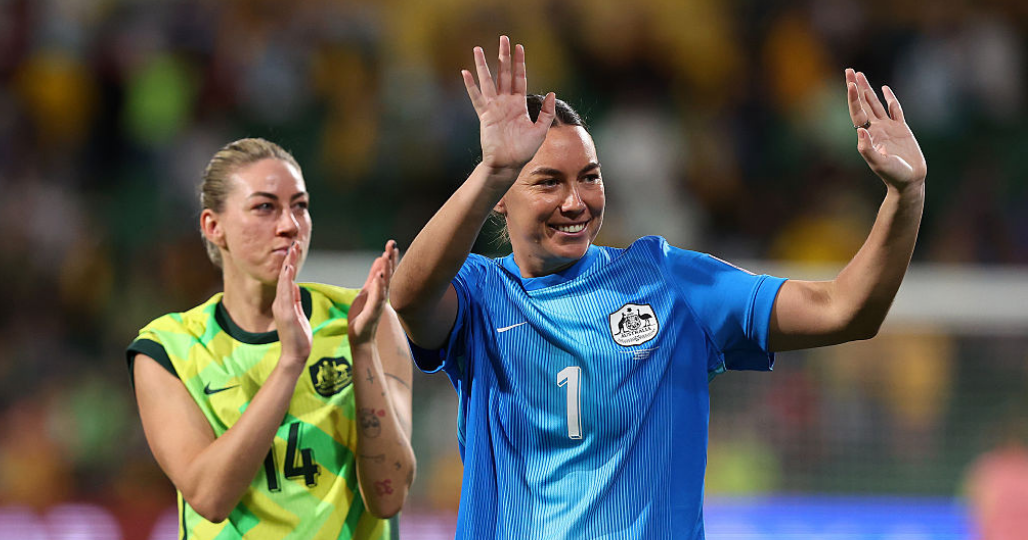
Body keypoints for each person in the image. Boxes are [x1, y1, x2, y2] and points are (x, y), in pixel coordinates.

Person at [390, 36, 926, 539]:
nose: (576, 201)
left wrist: (906, 196)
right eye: (549, 181)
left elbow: (844, 310)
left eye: (591, 177)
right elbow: (408, 298)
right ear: (504, 197)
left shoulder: (666, 280)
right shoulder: (482, 294)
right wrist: (492, 170)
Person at [127, 138, 415, 539]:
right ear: (214, 226)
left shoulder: (366, 319)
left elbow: (388, 497)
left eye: (300, 206)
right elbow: (210, 498)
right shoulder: (168, 348)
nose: (289, 226)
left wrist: (362, 349)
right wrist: (289, 363)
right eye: (265, 207)